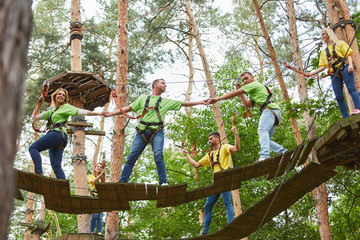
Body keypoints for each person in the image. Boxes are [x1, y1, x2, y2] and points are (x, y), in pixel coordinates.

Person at [103, 79, 208, 185]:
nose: (165, 85)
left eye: (165, 83)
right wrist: (110, 113)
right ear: (155, 85)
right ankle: (122, 182)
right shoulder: (143, 99)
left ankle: (163, 182)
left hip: (156, 132)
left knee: (158, 155)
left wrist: (201, 102)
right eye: (163, 83)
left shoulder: (166, 102)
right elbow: (127, 108)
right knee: (131, 157)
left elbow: (184, 103)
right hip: (141, 133)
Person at [207, 72, 286, 161]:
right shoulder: (254, 90)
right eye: (243, 80)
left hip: (270, 110)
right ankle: (283, 152)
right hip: (274, 111)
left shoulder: (253, 84)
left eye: (246, 78)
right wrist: (241, 94)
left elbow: (233, 93)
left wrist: (217, 99)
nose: (244, 81)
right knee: (264, 140)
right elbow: (247, 105)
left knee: (262, 131)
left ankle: (264, 155)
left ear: (252, 78)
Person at [29, 88, 102, 179]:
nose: (61, 96)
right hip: (59, 137)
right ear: (55, 96)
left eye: (63, 95)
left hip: (58, 134)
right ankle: (63, 190)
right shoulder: (51, 111)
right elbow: (34, 117)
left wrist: (98, 113)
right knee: (56, 166)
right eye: (59, 94)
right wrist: (39, 105)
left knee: (33, 148)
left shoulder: (66, 107)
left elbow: (80, 111)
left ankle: (39, 174)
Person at [182, 126, 240, 235]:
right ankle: (204, 232)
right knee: (207, 206)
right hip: (216, 181)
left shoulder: (225, 148)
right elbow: (196, 164)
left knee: (227, 202)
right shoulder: (209, 155)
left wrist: (236, 134)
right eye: (209, 139)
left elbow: (237, 148)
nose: (209, 141)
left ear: (218, 139)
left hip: (225, 178)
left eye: (211, 138)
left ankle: (230, 226)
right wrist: (187, 155)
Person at [304, 27, 360, 118]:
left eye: (323, 34)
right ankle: (345, 116)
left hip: (344, 67)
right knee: (338, 96)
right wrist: (312, 73)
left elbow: (348, 55)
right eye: (321, 35)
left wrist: (350, 65)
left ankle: (358, 108)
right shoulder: (323, 52)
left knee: (351, 88)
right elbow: (322, 66)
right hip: (334, 73)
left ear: (328, 34)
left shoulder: (340, 43)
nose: (322, 36)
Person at [88, 163, 106, 234]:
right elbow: (93, 182)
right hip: (94, 197)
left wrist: (103, 174)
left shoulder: (102, 178)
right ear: (95, 168)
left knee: (100, 216)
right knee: (95, 214)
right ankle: (92, 231)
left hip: (101, 198)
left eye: (100, 167)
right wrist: (101, 174)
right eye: (97, 167)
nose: (99, 168)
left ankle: (99, 231)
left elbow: (104, 184)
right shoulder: (91, 176)